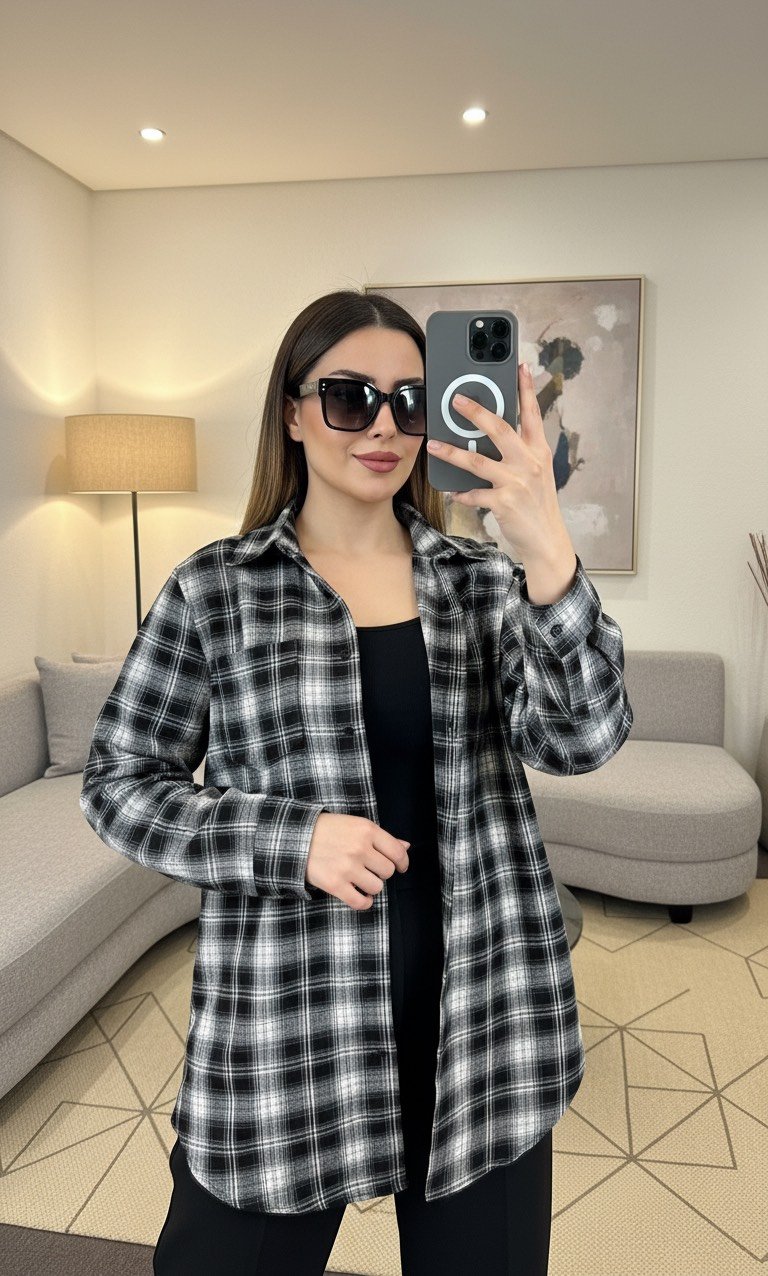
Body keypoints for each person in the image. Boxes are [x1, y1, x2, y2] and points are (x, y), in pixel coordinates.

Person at [80, 289, 633, 1275]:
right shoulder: (216, 589)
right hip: (291, 1030)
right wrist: (287, 838)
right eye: (348, 397)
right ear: (293, 413)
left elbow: (582, 737)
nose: (383, 426)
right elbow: (119, 784)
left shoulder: (485, 584)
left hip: (485, 1028)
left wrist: (547, 547)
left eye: (411, 401)